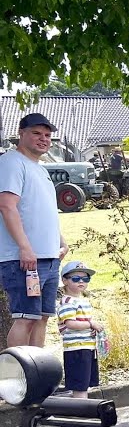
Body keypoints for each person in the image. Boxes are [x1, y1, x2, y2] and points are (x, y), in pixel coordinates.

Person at [0, 113, 68, 347]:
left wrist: (61, 242)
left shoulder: (41, 169)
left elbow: (41, 211)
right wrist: (25, 248)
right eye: (36, 133)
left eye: (47, 135)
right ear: (21, 134)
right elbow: (7, 206)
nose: (43, 139)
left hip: (49, 257)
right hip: (24, 259)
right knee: (25, 318)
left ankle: (37, 369)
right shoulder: (11, 163)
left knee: (41, 319)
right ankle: (18, 368)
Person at [56, 260, 102, 399]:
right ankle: (81, 406)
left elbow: (82, 321)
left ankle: (82, 404)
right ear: (65, 281)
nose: (81, 281)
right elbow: (70, 323)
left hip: (87, 347)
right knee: (80, 385)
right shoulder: (67, 302)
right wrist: (91, 324)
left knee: (85, 383)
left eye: (85, 278)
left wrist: (91, 329)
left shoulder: (82, 300)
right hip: (76, 349)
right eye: (76, 278)